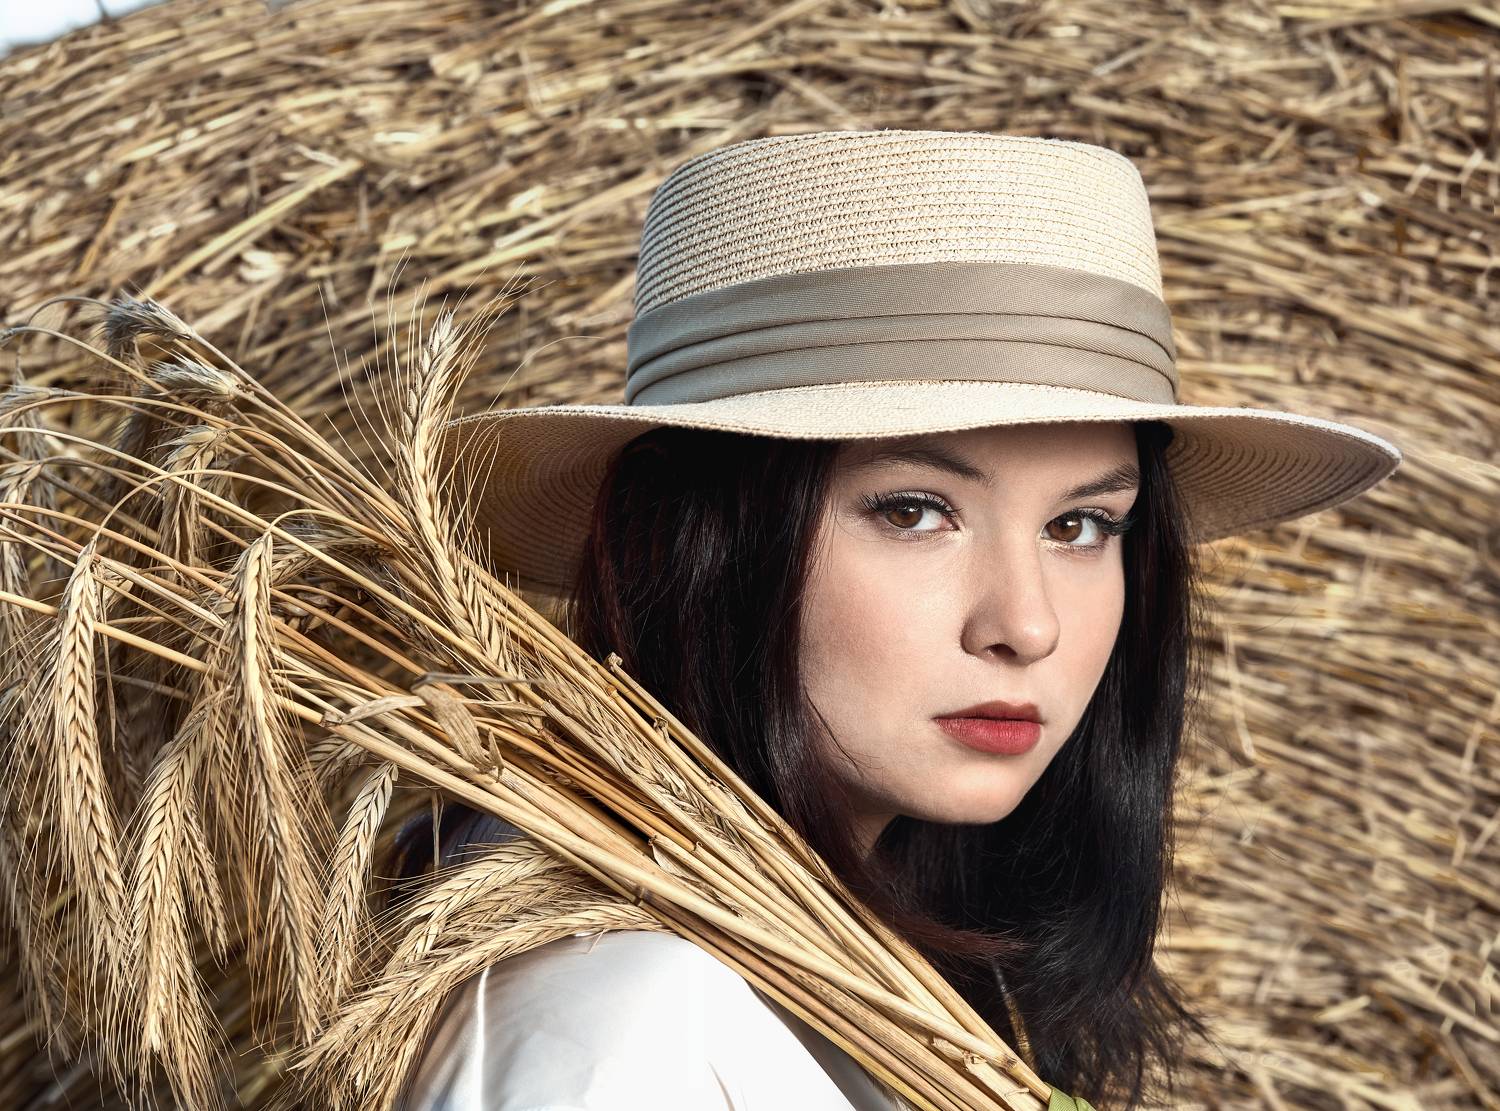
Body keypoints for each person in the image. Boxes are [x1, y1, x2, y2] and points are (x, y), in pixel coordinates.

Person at [392, 128, 1402, 1110]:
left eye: (1082, 525)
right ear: (688, 540)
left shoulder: (896, 970)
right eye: (914, 511)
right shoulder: (625, 1029)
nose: (1028, 626)